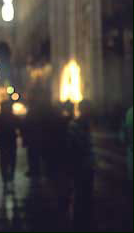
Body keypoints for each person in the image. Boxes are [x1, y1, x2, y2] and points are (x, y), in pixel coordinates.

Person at [68, 99, 94, 231]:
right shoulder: (76, 125)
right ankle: (80, 223)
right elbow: (75, 147)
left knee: (85, 195)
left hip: (86, 165)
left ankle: (83, 221)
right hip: (81, 166)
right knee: (81, 196)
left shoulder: (83, 124)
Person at [0, 101, 18, 191]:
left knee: (3, 159)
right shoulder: (13, 117)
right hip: (11, 139)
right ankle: (11, 176)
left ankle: (4, 177)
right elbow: (19, 126)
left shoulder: (0, 117)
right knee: (12, 158)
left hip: (3, 140)